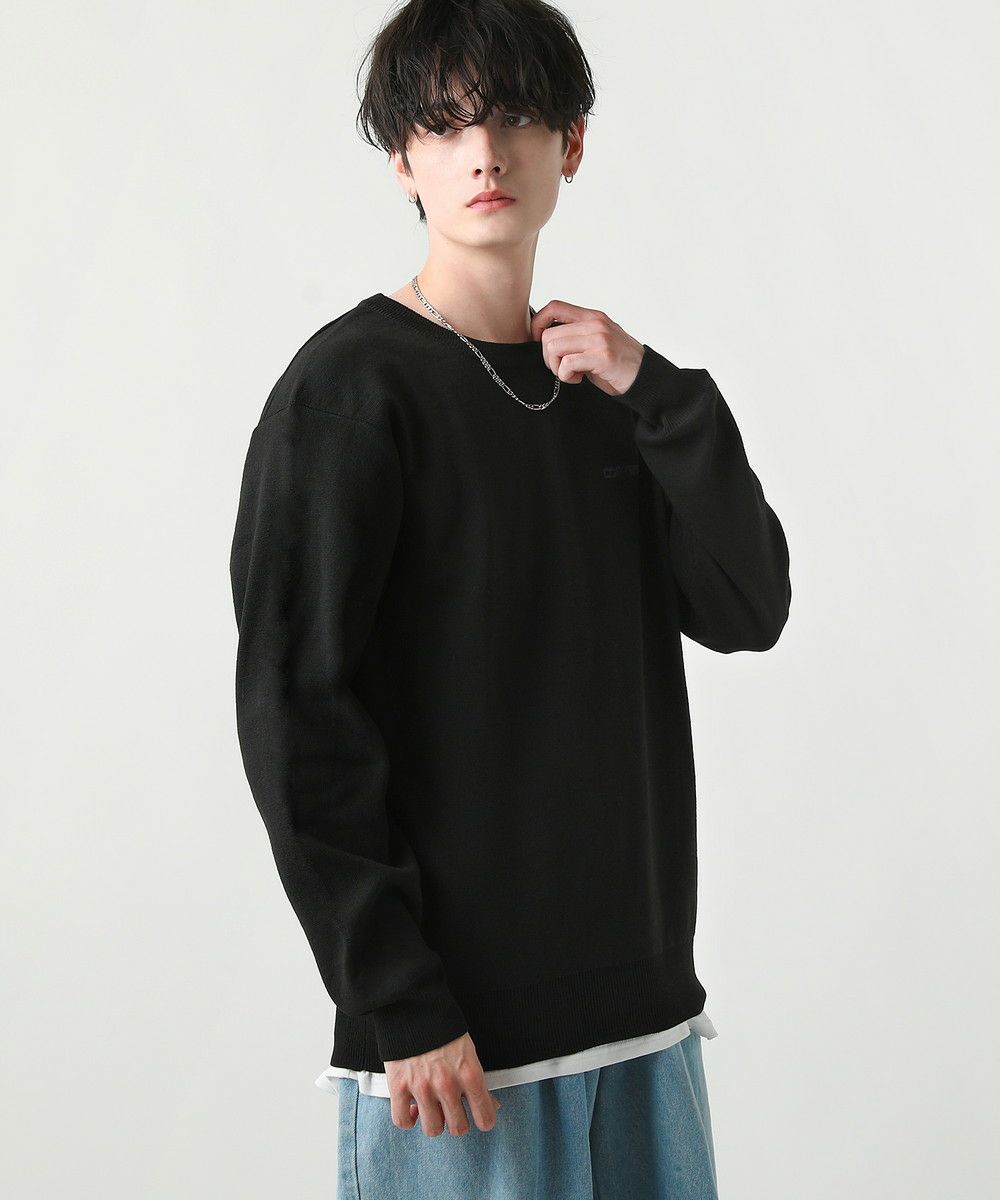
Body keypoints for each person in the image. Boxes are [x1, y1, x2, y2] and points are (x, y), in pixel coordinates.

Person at [229, 0, 791, 1195]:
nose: (483, 153)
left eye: (516, 117)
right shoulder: (348, 391)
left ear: (569, 144)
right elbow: (297, 715)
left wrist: (662, 397)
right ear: (403, 161)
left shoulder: (604, 393)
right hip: (456, 1048)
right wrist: (397, 998)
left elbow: (748, 608)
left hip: (642, 1020)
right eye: (444, 126)